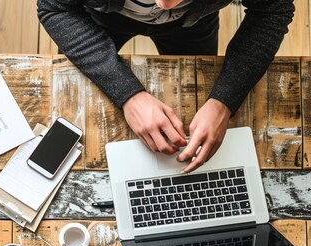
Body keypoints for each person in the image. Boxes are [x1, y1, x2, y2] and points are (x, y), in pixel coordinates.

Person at [38, 0, 294, 172]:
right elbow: (55, 8)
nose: (165, 4)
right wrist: (129, 95)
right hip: (98, 19)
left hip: (192, 25)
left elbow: (273, 11)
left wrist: (223, 102)